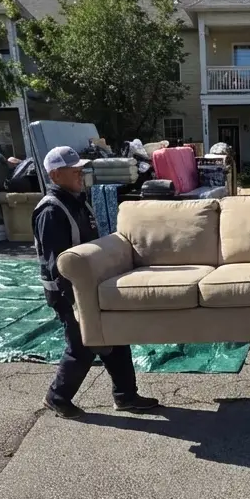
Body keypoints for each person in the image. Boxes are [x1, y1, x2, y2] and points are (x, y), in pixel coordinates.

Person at [34, 145, 159, 419]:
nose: (81, 173)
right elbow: (58, 264)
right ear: (55, 175)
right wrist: (76, 301)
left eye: (81, 168)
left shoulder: (78, 200)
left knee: (114, 337)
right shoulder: (51, 211)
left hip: (90, 288)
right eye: (74, 170)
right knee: (82, 346)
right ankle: (57, 397)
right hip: (70, 293)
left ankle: (126, 396)